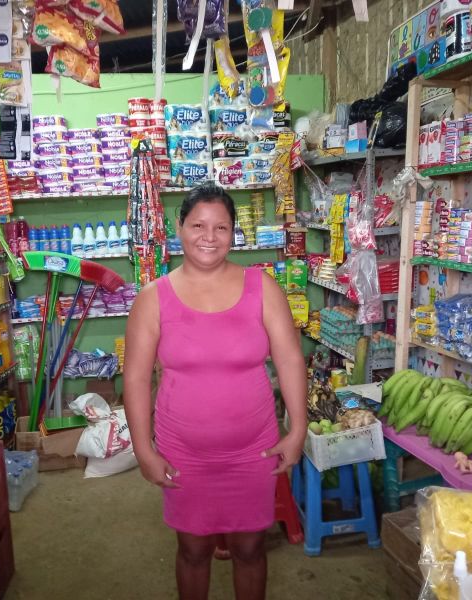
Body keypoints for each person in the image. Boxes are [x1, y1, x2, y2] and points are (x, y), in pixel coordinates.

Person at [124, 182, 307, 600]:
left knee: (251, 548)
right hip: (183, 454)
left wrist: (297, 429)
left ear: (233, 233)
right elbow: (135, 378)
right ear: (179, 227)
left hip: (254, 450)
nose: (209, 237)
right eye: (198, 225)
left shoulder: (263, 288)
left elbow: (290, 360)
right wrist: (143, 449)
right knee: (193, 550)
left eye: (221, 227)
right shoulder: (153, 298)